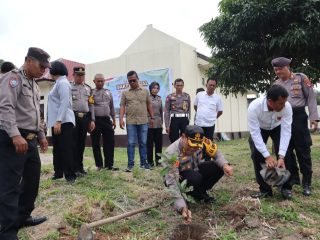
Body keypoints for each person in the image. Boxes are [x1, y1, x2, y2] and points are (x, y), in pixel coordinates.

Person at [0, 47, 50, 239]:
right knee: (10, 186)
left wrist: (42, 135)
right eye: (41, 66)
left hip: (29, 140)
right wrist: (14, 135)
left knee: (31, 183)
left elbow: (36, 114)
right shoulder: (13, 79)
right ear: (28, 60)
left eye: (46, 67)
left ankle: (23, 217)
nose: (44, 70)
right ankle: (8, 231)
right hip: (13, 139)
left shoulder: (35, 85)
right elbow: (5, 107)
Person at [164, 125, 233, 223]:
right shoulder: (171, 153)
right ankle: (186, 196)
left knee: (218, 166)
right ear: (183, 137)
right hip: (179, 179)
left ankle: (199, 193)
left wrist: (225, 165)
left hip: (195, 170)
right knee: (195, 177)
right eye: (191, 145)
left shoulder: (203, 141)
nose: (194, 149)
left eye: (197, 146)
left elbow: (216, 153)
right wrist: (182, 207)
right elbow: (172, 183)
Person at [272, 57, 319, 196]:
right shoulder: (276, 84)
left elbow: (311, 97)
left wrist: (314, 117)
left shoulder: (300, 78)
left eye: (280, 68)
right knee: (285, 150)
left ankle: (307, 183)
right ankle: (292, 179)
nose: (278, 72)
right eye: (275, 70)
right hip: (282, 118)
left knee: (302, 149)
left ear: (288, 66)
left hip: (298, 117)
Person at [248, 85, 293, 200]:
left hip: (277, 128)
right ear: (270, 101)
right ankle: (265, 189)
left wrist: (281, 156)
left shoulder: (286, 107)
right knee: (257, 154)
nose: (283, 106)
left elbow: (286, 131)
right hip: (260, 129)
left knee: (286, 152)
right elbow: (255, 134)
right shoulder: (254, 107)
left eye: (284, 103)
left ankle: (286, 187)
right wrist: (267, 156)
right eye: (280, 103)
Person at [120, 70, 155, 172]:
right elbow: (122, 106)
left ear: (138, 79)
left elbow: (149, 104)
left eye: (133, 80)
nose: (132, 83)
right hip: (130, 122)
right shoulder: (125, 93)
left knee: (143, 143)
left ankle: (143, 163)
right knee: (131, 143)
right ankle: (130, 165)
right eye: (129, 81)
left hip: (143, 121)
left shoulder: (145, 91)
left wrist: (152, 117)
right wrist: (121, 119)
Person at [48, 61, 76, 183]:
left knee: (66, 148)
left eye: (49, 68)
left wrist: (58, 120)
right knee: (58, 148)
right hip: (57, 122)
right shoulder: (57, 83)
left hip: (63, 122)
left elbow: (64, 103)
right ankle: (58, 172)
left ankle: (70, 175)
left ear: (55, 70)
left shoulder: (63, 83)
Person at [91, 73, 118, 171]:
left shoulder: (108, 92)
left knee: (110, 142)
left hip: (107, 120)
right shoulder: (91, 92)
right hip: (95, 121)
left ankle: (109, 165)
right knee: (95, 143)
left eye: (102, 81)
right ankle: (99, 165)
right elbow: (90, 107)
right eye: (98, 81)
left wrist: (114, 120)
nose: (101, 83)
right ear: (94, 81)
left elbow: (111, 107)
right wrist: (91, 120)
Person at [71, 67, 94, 177]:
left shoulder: (88, 88)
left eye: (82, 75)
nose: (80, 77)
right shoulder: (69, 87)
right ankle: (74, 168)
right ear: (73, 75)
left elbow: (91, 105)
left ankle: (80, 167)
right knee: (74, 143)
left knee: (81, 143)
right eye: (78, 75)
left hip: (85, 118)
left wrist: (92, 120)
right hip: (73, 117)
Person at [194, 78, 223, 160]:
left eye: (213, 85)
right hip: (198, 124)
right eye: (210, 85)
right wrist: (201, 114)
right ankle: (197, 159)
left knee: (208, 143)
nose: (211, 87)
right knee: (197, 143)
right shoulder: (199, 95)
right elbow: (195, 106)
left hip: (210, 125)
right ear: (206, 85)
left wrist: (213, 118)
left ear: (215, 87)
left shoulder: (217, 98)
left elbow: (220, 111)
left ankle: (207, 160)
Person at [164, 78, 191, 143]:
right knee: (173, 137)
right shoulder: (170, 96)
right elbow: (167, 111)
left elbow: (189, 109)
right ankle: (175, 152)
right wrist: (167, 126)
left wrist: (188, 119)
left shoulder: (187, 96)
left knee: (185, 138)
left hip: (184, 119)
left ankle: (183, 152)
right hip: (174, 119)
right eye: (178, 85)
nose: (179, 87)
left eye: (181, 85)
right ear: (174, 86)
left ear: (183, 86)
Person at [147, 81, 163, 167]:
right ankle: (150, 162)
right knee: (149, 144)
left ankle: (158, 161)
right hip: (149, 123)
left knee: (158, 144)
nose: (155, 90)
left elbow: (161, 112)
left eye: (157, 88)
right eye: (153, 88)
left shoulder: (159, 98)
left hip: (158, 124)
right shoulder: (147, 98)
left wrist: (162, 123)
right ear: (150, 89)